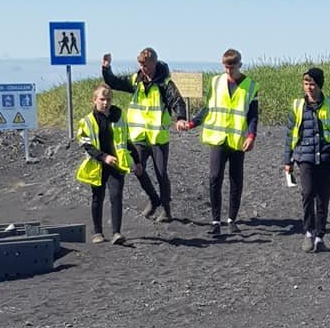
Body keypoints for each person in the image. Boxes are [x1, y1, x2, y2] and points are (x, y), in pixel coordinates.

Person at [101, 48, 188, 223]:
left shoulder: (165, 84)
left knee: (161, 173)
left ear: (154, 63)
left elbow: (177, 101)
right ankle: (153, 199)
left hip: (158, 137)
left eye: (146, 65)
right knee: (136, 168)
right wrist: (106, 68)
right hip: (139, 136)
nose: (143, 68)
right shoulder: (135, 80)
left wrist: (180, 118)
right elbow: (114, 82)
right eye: (140, 64)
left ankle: (166, 208)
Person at [186, 49, 259, 236]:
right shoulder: (216, 82)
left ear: (239, 65)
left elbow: (252, 115)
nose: (228, 71)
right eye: (226, 67)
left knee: (236, 180)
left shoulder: (251, 85)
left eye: (232, 68)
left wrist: (251, 136)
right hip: (217, 138)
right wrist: (193, 122)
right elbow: (208, 108)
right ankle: (215, 220)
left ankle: (232, 220)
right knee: (215, 177)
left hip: (237, 140)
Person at [283, 67, 330, 253]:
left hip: (326, 156)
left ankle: (320, 236)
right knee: (307, 193)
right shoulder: (298, 106)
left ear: (319, 85)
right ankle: (308, 232)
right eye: (306, 84)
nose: (308, 87)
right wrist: (287, 161)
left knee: (323, 198)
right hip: (304, 156)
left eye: (312, 84)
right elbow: (289, 134)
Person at [76, 84, 139, 245]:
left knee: (116, 196)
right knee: (97, 197)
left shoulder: (118, 116)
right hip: (98, 164)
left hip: (117, 163)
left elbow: (126, 140)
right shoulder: (88, 121)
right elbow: (86, 145)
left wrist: (137, 161)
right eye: (102, 99)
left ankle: (117, 233)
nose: (105, 103)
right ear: (94, 100)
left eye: (108, 99)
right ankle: (97, 232)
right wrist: (103, 157)